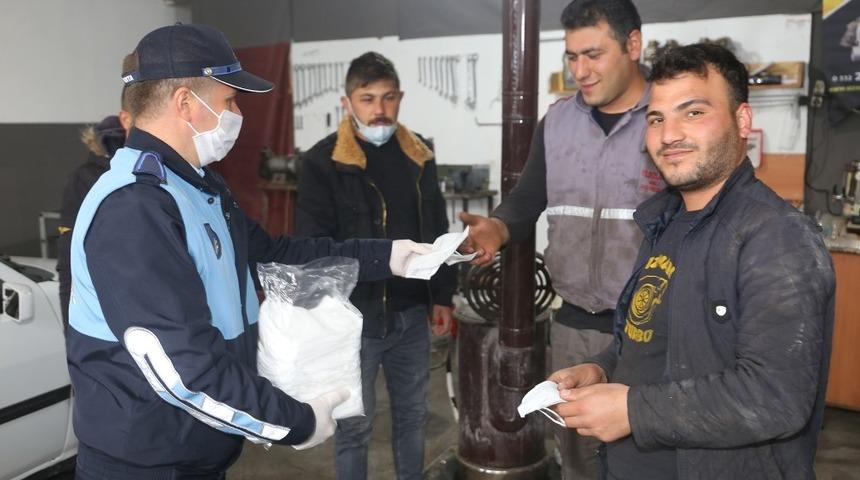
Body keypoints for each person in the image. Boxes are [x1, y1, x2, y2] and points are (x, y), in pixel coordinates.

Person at [67, 24, 428, 480]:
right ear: (184, 102)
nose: (237, 113)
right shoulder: (134, 209)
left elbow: (276, 252)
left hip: (197, 448)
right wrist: (293, 422)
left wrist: (388, 256)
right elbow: (184, 370)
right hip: (147, 461)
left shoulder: (197, 186)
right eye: (229, 101)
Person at [549, 43, 835, 479]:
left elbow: (777, 397)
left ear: (742, 121)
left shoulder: (777, 237)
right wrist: (601, 368)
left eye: (694, 113)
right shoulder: (663, 222)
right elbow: (648, 340)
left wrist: (632, 410)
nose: (669, 135)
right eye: (657, 118)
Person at [459, 1, 662, 477]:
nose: (580, 71)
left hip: (653, 331)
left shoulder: (666, 117)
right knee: (579, 460)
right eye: (571, 57)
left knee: (650, 457)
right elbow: (527, 201)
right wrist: (497, 226)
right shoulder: (558, 122)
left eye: (593, 54)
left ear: (633, 44)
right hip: (575, 329)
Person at [295, 51, 456, 480]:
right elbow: (313, 247)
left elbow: (437, 227)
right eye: (367, 99)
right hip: (353, 321)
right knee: (353, 427)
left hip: (410, 315)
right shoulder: (321, 163)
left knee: (412, 416)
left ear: (400, 97)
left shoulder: (419, 156)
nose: (380, 110)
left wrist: (442, 296)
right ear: (347, 103)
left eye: (388, 98)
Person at [57, 114, 130, 330]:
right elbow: (68, 253)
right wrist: (70, 328)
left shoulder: (145, 175)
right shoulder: (83, 179)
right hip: (102, 293)